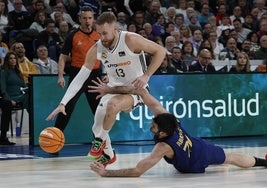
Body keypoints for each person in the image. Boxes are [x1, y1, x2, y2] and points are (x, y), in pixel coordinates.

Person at [46, 11, 165, 165]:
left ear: (115, 29)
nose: (101, 38)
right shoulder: (97, 48)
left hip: (135, 90)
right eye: (99, 33)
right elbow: (80, 77)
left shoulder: (130, 39)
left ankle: (98, 141)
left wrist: (146, 75)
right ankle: (108, 154)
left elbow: (160, 51)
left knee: (112, 106)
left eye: (105, 34)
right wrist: (63, 103)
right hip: (113, 89)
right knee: (97, 126)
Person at [88, 79, 267, 177]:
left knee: (230, 159)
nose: (151, 124)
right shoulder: (169, 118)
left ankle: (262, 163)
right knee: (230, 158)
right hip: (198, 146)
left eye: (154, 126)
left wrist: (106, 173)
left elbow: (137, 171)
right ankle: (264, 162)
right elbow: (144, 94)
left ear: (163, 133)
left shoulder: (163, 147)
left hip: (192, 164)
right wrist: (112, 88)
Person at [49, 6, 102, 134]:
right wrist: (60, 76)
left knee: (100, 111)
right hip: (77, 74)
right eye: (84, 18)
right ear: (79, 19)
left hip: (95, 76)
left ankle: (100, 142)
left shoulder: (99, 35)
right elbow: (62, 57)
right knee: (66, 107)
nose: (87, 21)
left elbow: (108, 56)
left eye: (90, 18)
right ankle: (55, 138)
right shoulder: (73, 35)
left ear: (93, 19)